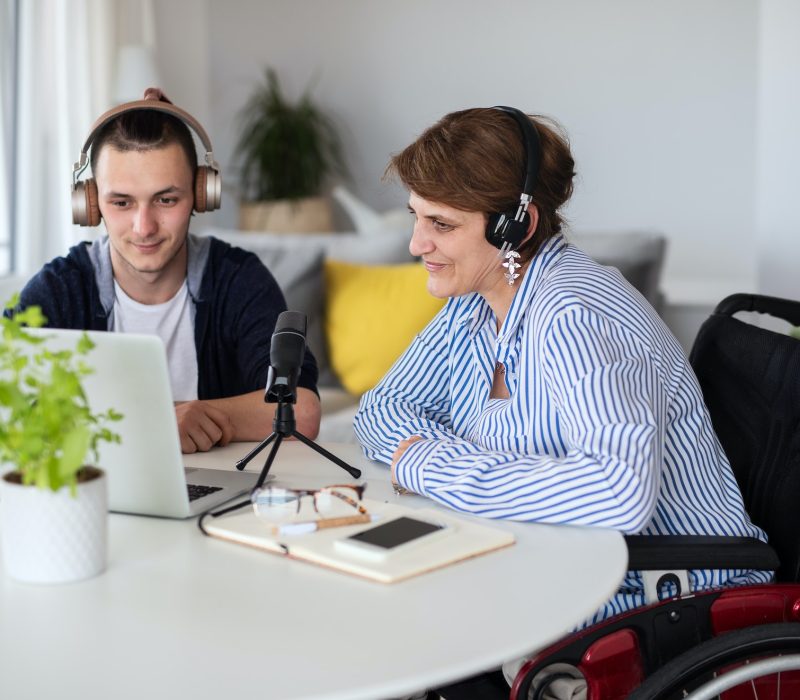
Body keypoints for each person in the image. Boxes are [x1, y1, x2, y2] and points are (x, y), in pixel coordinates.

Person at [353, 107, 770, 698]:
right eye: (416, 217)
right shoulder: (475, 301)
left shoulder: (574, 313)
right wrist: (439, 458)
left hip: (666, 593)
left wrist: (428, 463)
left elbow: (617, 492)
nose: (417, 243)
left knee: (402, 641)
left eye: (442, 225)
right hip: (559, 567)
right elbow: (380, 412)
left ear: (514, 227)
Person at [8, 88, 320, 453]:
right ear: (90, 204)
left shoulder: (239, 278)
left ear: (201, 195)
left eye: (166, 200)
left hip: (221, 493)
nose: (144, 227)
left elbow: (303, 409)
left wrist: (198, 416)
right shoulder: (61, 288)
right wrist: (157, 418)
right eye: (121, 202)